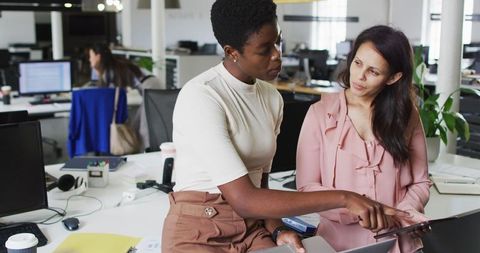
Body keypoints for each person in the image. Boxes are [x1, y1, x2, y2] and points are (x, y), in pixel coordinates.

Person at [161, 2, 407, 252]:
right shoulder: (202, 96)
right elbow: (245, 199)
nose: (277, 55)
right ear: (232, 51)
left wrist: (278, 228)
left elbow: (261, 186)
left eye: (278, 42)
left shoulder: (271, 97)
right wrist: (346, 197)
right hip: (200, 228)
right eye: (264, 49)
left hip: (251, 227)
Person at [296, 25, 432, 253]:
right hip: (336, 245)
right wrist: (355, 210)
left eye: (373, 71)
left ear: (393, 77)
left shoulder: (407, 115)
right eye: (357, 63)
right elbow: (306, 188)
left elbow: (420, 182)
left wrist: (407, 212)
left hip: (399, 244)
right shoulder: (320, 113)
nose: (359, 76)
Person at [88, 43, 162, 149]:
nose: (90, 60)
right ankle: (140, 151)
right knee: (136, 124)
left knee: (144, 126)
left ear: (98, 57)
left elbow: (110, 94)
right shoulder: (114, 66)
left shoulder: (110, 70)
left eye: (91, 56)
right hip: (150, 85)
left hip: (151, 87)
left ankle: (147, 153)